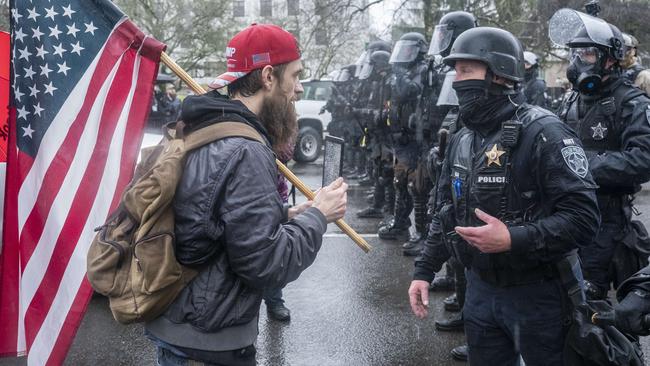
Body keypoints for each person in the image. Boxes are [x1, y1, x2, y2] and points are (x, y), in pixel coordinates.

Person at [144, 23, 348, 366]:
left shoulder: (205, 127)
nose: (298, 89)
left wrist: (285, 215)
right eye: (295, 76)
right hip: (209, 341)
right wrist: (317, 217)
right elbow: (266, 264)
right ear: (268, 76)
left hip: (180, 326)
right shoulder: (245, 149)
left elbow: (207, 214)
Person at [408, 27, 600, 365]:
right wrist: (424, 270)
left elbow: (583, 219)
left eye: (466, 70)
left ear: (497, 74)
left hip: (540, 294)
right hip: (481, 293)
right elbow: (445, 211)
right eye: (455, 71)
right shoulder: (462, 139)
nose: (457, 80)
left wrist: (513, 238)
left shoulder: (545, 132)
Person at [556, 16, 650, 300]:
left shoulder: (632, 103)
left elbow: (643, 159)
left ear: (610, 59)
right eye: (575, 53)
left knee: (594, 304)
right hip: (565, 213)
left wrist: (581, 165)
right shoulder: (571, 100)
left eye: (586, 53)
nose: (578, 61)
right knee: (562, 298)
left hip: (605, 221)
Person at [378, 32, 429, 241]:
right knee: (400, 181)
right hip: (402, 139)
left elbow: (410, 91)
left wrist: (400, 76)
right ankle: (401, 223)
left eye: (409, 50)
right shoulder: (405, 71)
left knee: (417, 187)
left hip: (418, 140)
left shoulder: (422, 70)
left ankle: (422, 233)